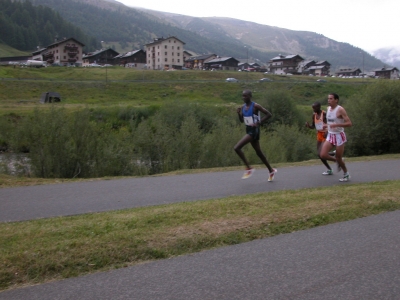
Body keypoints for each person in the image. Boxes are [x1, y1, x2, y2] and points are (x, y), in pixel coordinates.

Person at [234, 90, 277, 181]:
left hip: (254, 131)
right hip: (248, 129)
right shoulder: (243, 107)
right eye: (243, 96)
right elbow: (242, 121)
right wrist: (238, 114)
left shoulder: (256, 106)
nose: (244, 98)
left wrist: (258, 123)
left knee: (237, 148)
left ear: (250, 96)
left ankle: (249, 168)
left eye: (245, 96)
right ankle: (271, 170)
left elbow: (269, 114)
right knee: (259, 152)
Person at [320, 93, 352, 182]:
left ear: (336, 100)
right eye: (328, 99)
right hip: (330, 135)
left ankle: (346, 174)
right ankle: (338, 161)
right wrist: (326, 126)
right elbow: (330, 122)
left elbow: (349, 123)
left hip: (339, 136)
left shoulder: (340, 109)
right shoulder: (328, 109)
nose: (328, 100)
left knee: (339, 157)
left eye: (331, 99)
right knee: (323, 155)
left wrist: (337, 124)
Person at [305, 101, 333, 175]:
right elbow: (313, 126)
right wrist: (308, 126)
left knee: (321, 153)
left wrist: (327, 131)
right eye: (312, 108)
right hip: (319, 134)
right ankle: (329, 167)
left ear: (319, 107)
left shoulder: (324, 114)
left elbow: (330, 123)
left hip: (325, 134)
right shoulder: (314, 115)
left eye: (314, 108)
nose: (313, 109)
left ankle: (336, 159)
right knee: (319, 154)